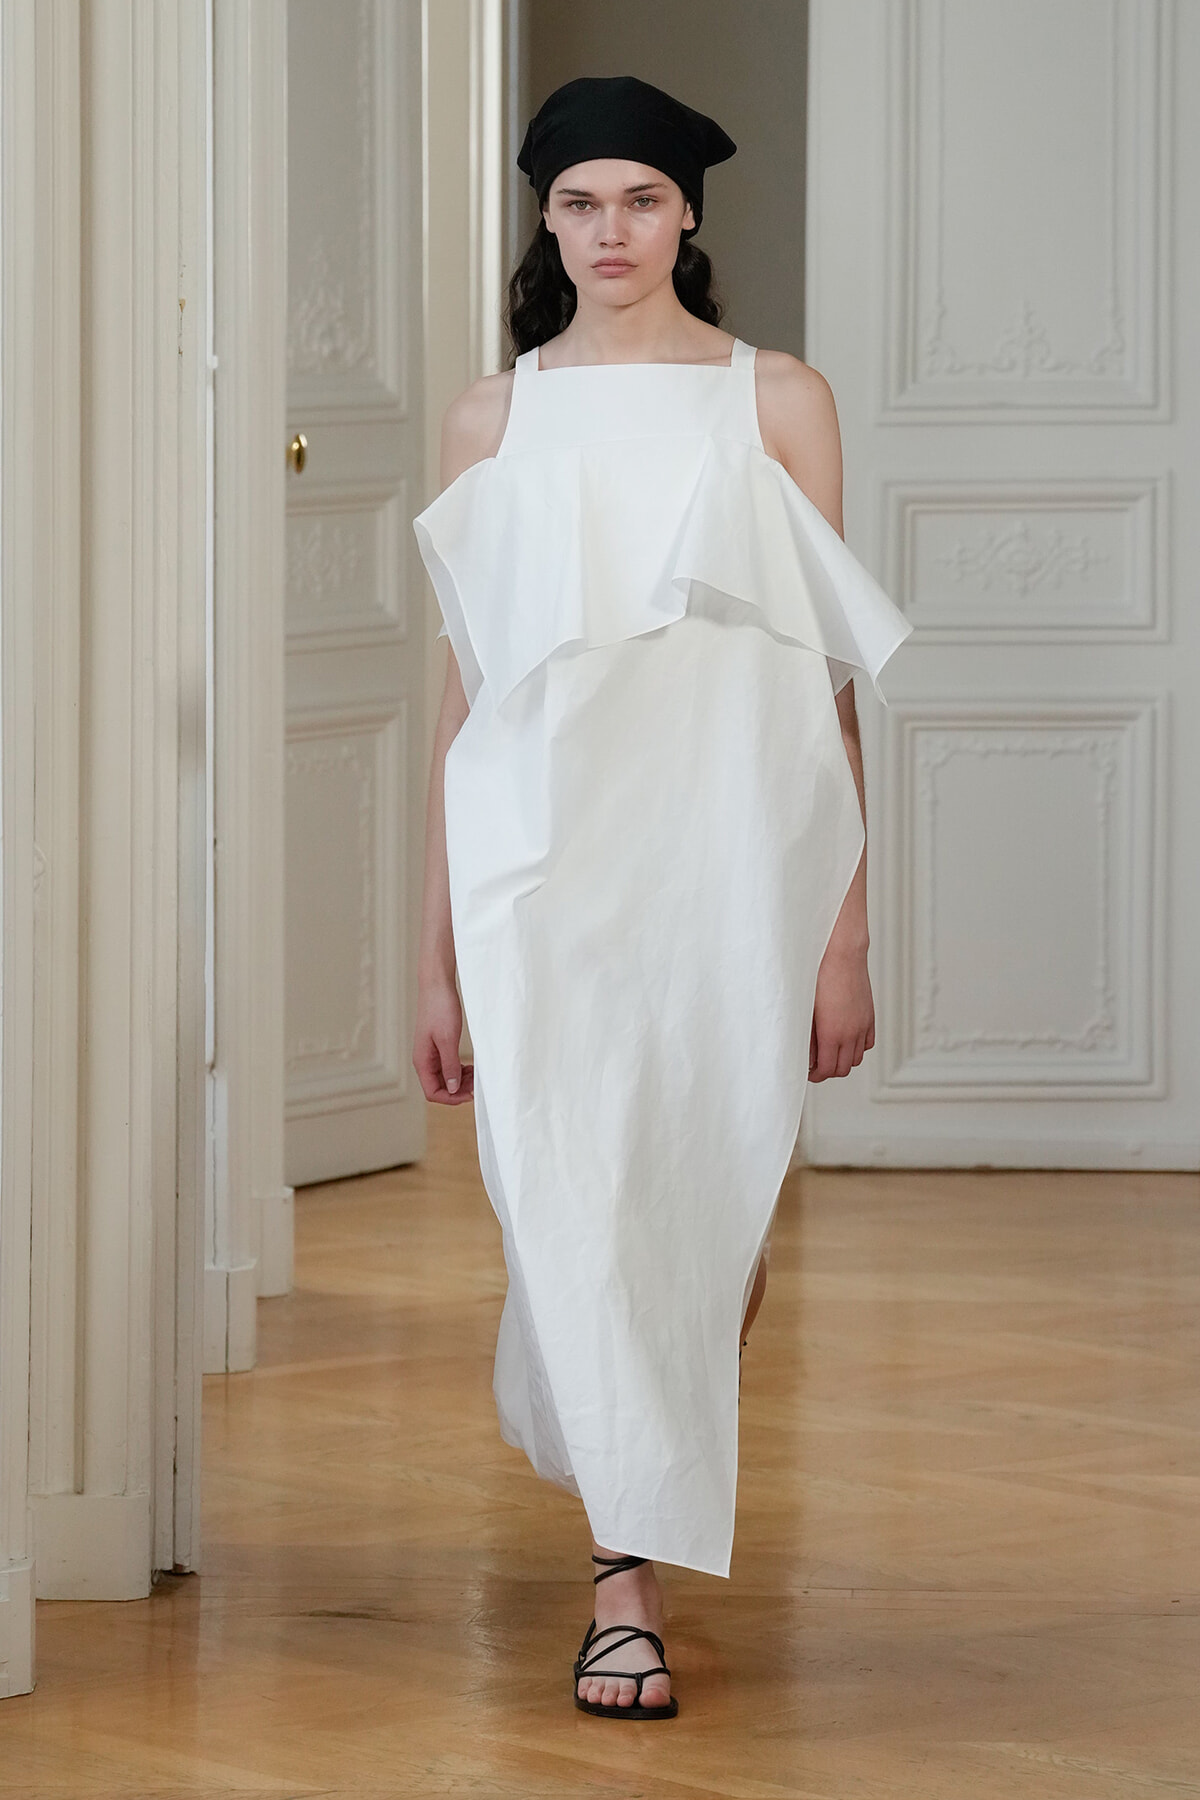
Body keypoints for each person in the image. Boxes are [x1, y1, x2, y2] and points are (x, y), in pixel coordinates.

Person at [411, 74, 910, 1721]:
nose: (608, 231)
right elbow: (467, 698)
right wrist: (436, 960)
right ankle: (624, 1577)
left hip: (729, 865)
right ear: (545, 222)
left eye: (638, 199)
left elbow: (826, 683)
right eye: (578, 204)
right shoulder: (494, 420)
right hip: (542, 871)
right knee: (568, 1199)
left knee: (705, 1207)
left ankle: (642, 1485)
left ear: (688, 211)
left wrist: (843, 931)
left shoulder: (777, 401)